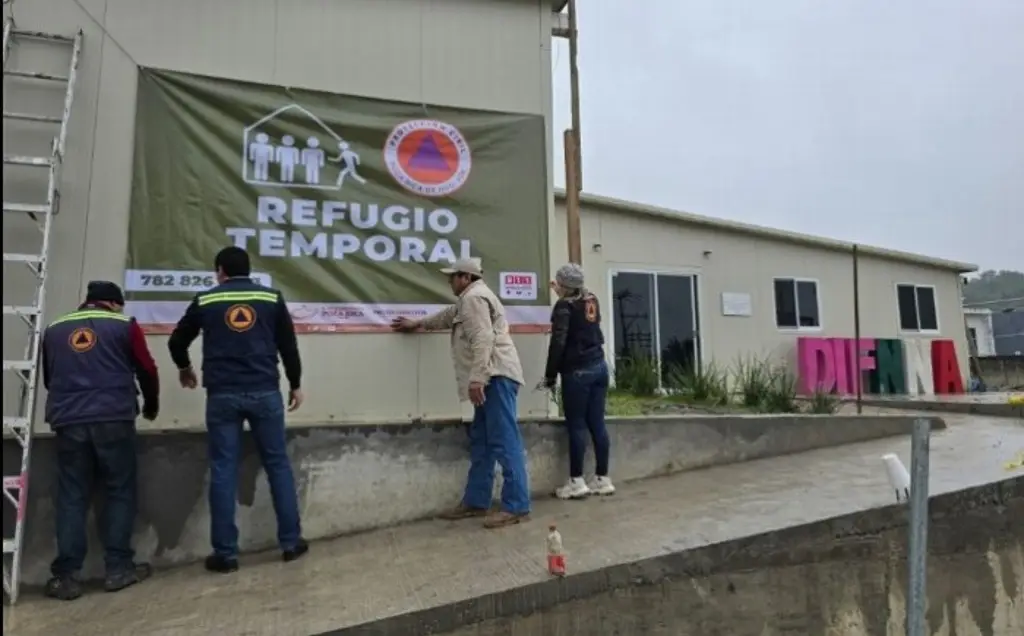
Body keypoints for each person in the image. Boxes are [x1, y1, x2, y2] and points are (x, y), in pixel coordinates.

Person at [167, 247, 308, 573]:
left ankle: (225, 554)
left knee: (223, 470)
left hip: (222, 396)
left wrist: (186, 368)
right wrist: (296, 384)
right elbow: (288, 346)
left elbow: (176, 342)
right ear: (249, 270)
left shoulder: (206, 300)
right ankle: (290, 543)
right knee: (277, 465)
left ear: (220, 271)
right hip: (265, 392)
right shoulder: (272, 298)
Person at [41, 281, 160, 600]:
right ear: (114, 303)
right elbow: (147, 369)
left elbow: (49, 378)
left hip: (68, 421)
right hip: (114, 418)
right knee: (119, 489)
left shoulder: (54, 328)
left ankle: (65, 576)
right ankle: (118, 569)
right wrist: (151, 405)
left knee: (71, 494)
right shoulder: (124, 325)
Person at [390, 257, 531, 529]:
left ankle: (517, 506)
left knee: (503, 440)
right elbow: (448, 316)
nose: (449, 281)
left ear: (466, 277)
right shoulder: (469, 300)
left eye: (452, 277)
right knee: (483, 441)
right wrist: (418, 324)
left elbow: (483, 339)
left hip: (495, 377)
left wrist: (477, 378)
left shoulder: (474, 299)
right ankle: (477, 501)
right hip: (493, 377)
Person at [540, 264, 615, 500]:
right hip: (599, 366)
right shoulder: (590, 298)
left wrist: (550, 375)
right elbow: (578, 308)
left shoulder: (564, 307)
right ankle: (602, 479)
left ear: (564, 286)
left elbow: (558, 342)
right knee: (597, 423)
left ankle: (576, 481)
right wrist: (562, 291)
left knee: (577, 425)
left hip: (577, 371)